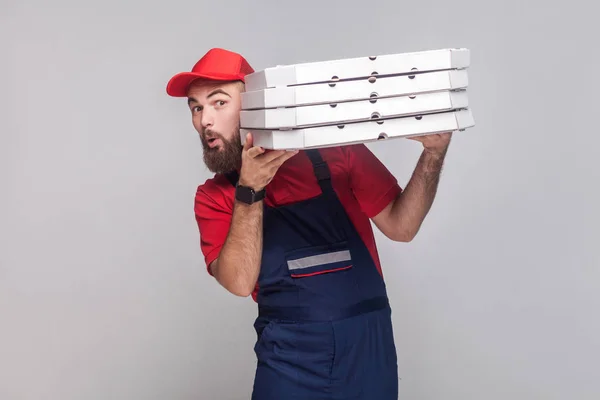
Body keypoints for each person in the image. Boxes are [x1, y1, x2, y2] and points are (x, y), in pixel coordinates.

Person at [166, 48, 452, 400]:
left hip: (368, 350)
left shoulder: (335, 153)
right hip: (290, 357)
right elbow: (239, 283)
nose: (204, 120)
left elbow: (401, 227)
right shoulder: (215, 197)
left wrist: (433, 154)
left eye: (219, 103)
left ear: (258, 104)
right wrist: (250, 191)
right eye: (196, 108)